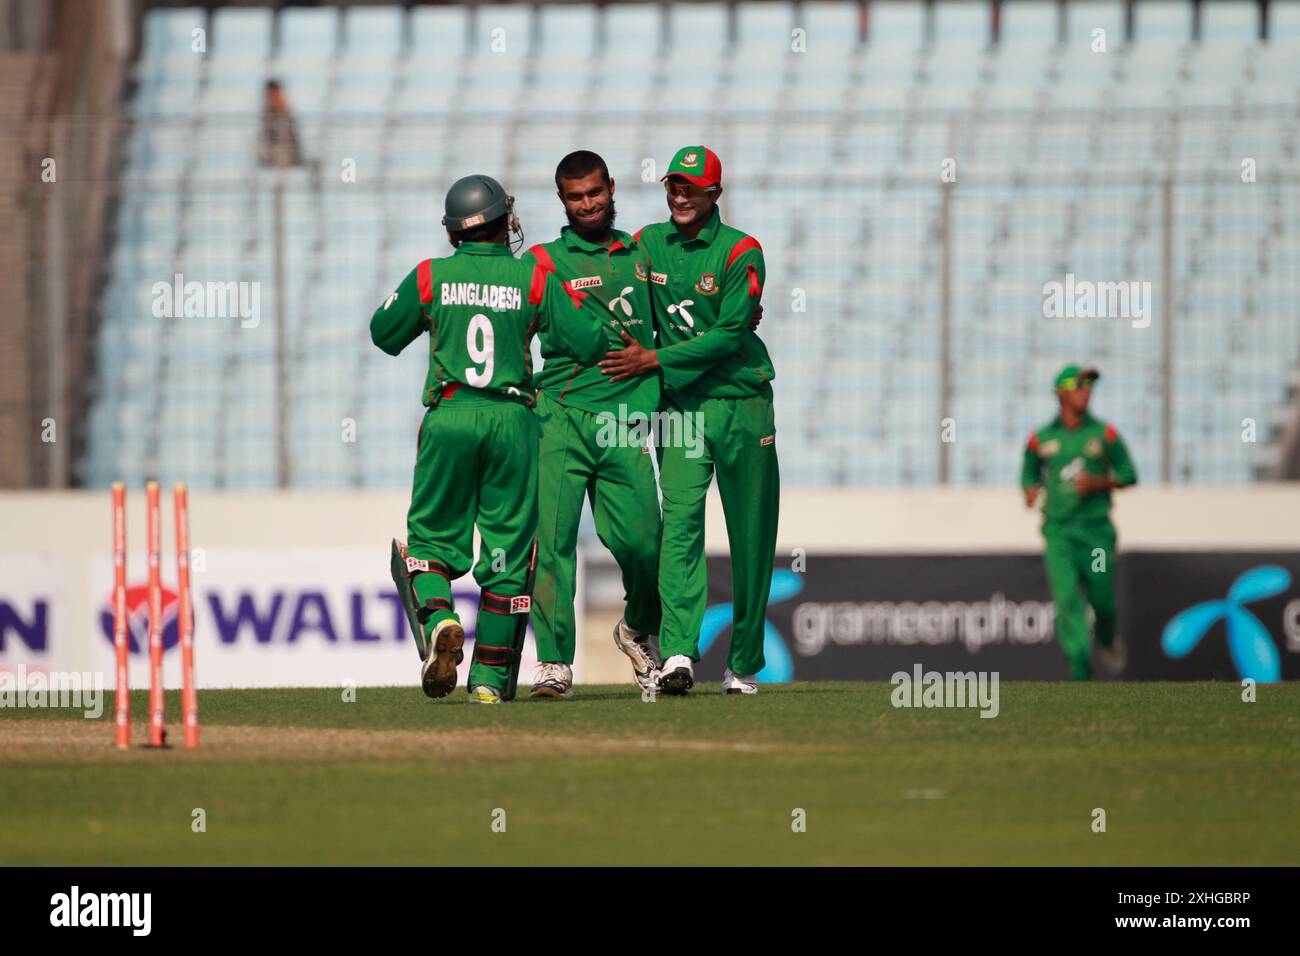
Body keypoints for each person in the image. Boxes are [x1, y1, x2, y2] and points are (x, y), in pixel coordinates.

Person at [371, 175, 605, 704]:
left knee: (430, 542)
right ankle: (487, 686)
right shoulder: (534, 278)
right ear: (506, 220)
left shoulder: (432, 275)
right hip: (513, 421)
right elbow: (589, 341)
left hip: (451, 414)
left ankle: (440, 617)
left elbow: (383, 334)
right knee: (506, 555)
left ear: (454, 232)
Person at [600, 146, 779, 696]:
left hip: (741, 405)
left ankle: (744, 665)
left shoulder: (741, 251)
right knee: (678, 526)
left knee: (751, 536)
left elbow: (730, 334)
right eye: (673, 185)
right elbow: (607, 277)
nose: (679, 195)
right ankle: (678, 651)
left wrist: (655, 359)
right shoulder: (649, 243)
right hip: (680, 410)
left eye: (691, 187)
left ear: (714, 195)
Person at [521, 151, 663, 699]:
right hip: (558, 416)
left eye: (595, 193)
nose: (587, 204)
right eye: (575, 197)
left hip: (623, 418)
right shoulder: (543, 263)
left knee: (645, 543)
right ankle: (555, 664)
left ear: (612, 188)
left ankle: (636, 630)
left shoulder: (642, 254)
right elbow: (511, 326)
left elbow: (679, 316)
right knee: (551, 541)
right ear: (562, 200)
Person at [1020, 365, 1138, 680]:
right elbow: (1029, 471)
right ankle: (1081, 672)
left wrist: (1099, 483)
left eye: (1089, 385)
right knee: (1068, 598)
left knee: (1101, 598)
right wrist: (1030, 488)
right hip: (1059, 533)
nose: (1085, 390)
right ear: (1060, 392)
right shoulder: (1041, 438)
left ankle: (1108, 639)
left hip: (1096, 534)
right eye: (1077, 385)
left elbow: (1129, 474)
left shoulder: (1104, 434)